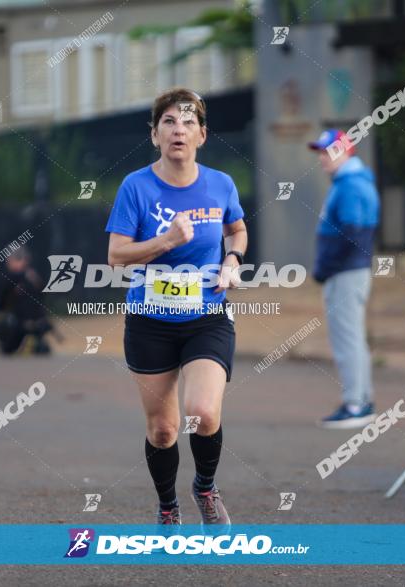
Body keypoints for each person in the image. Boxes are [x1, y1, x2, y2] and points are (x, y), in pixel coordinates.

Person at [106, 88, 247, 526]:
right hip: (150, 322)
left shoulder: (221, 184)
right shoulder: (136, 187)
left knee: (202, 413)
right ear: (154, 135)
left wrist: (232, 260)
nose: (178, 130)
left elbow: (237, 231)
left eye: (187, 123)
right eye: (168, 122)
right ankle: (168, 505)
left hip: (207, 315)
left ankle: (205, 487)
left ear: (202, 135)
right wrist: (166, 241)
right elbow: (116, 256)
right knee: (164, 430)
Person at [309, 130, 380, 429]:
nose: (323, 158)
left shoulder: (350, 185)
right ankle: (360, 400)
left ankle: (356, 405)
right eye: (322, 152)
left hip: (346, 272)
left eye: (328, 152)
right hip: (347, 271)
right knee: (352, 339)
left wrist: (327, 266)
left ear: (344, 152)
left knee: (347, 340)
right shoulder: (349, 182)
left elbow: (354, 233)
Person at [0, 248, 60, 355]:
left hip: (19, 324)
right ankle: (34, 343)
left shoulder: (11, 278)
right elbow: (45, 297)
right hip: (40, 323)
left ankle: (23, 343)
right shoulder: (34, 276)